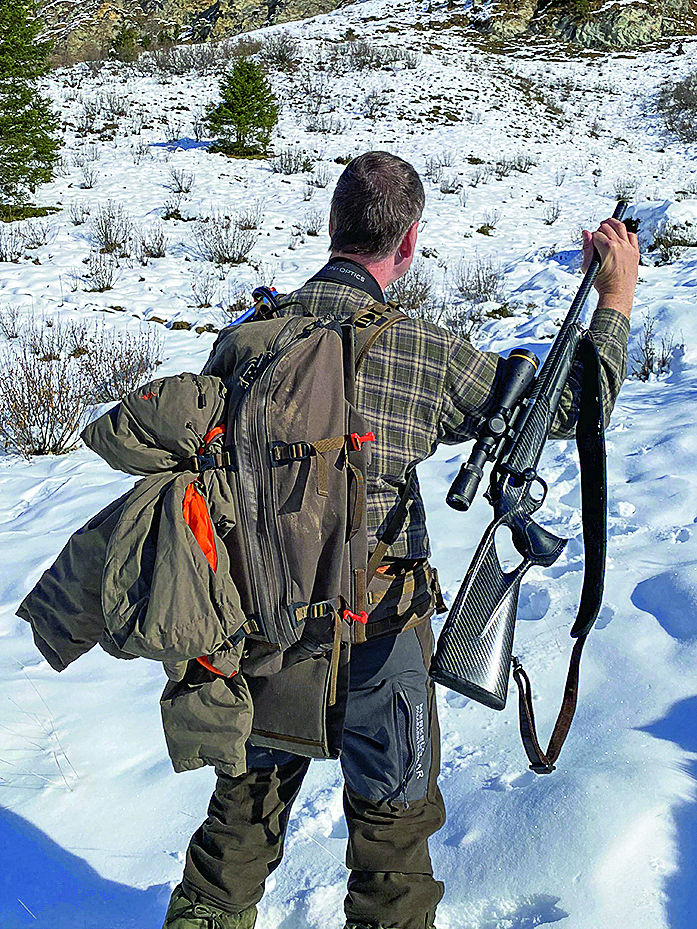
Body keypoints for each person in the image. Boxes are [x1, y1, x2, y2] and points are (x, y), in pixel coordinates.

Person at [162, 151, 639, 929]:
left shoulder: (243, 340)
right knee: (393, 852)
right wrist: (612, 297)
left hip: (258, 638)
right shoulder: (422, 351)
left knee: (234, 840)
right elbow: (564, 409)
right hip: (379, 641)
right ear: (409, 242)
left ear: (330, 227)